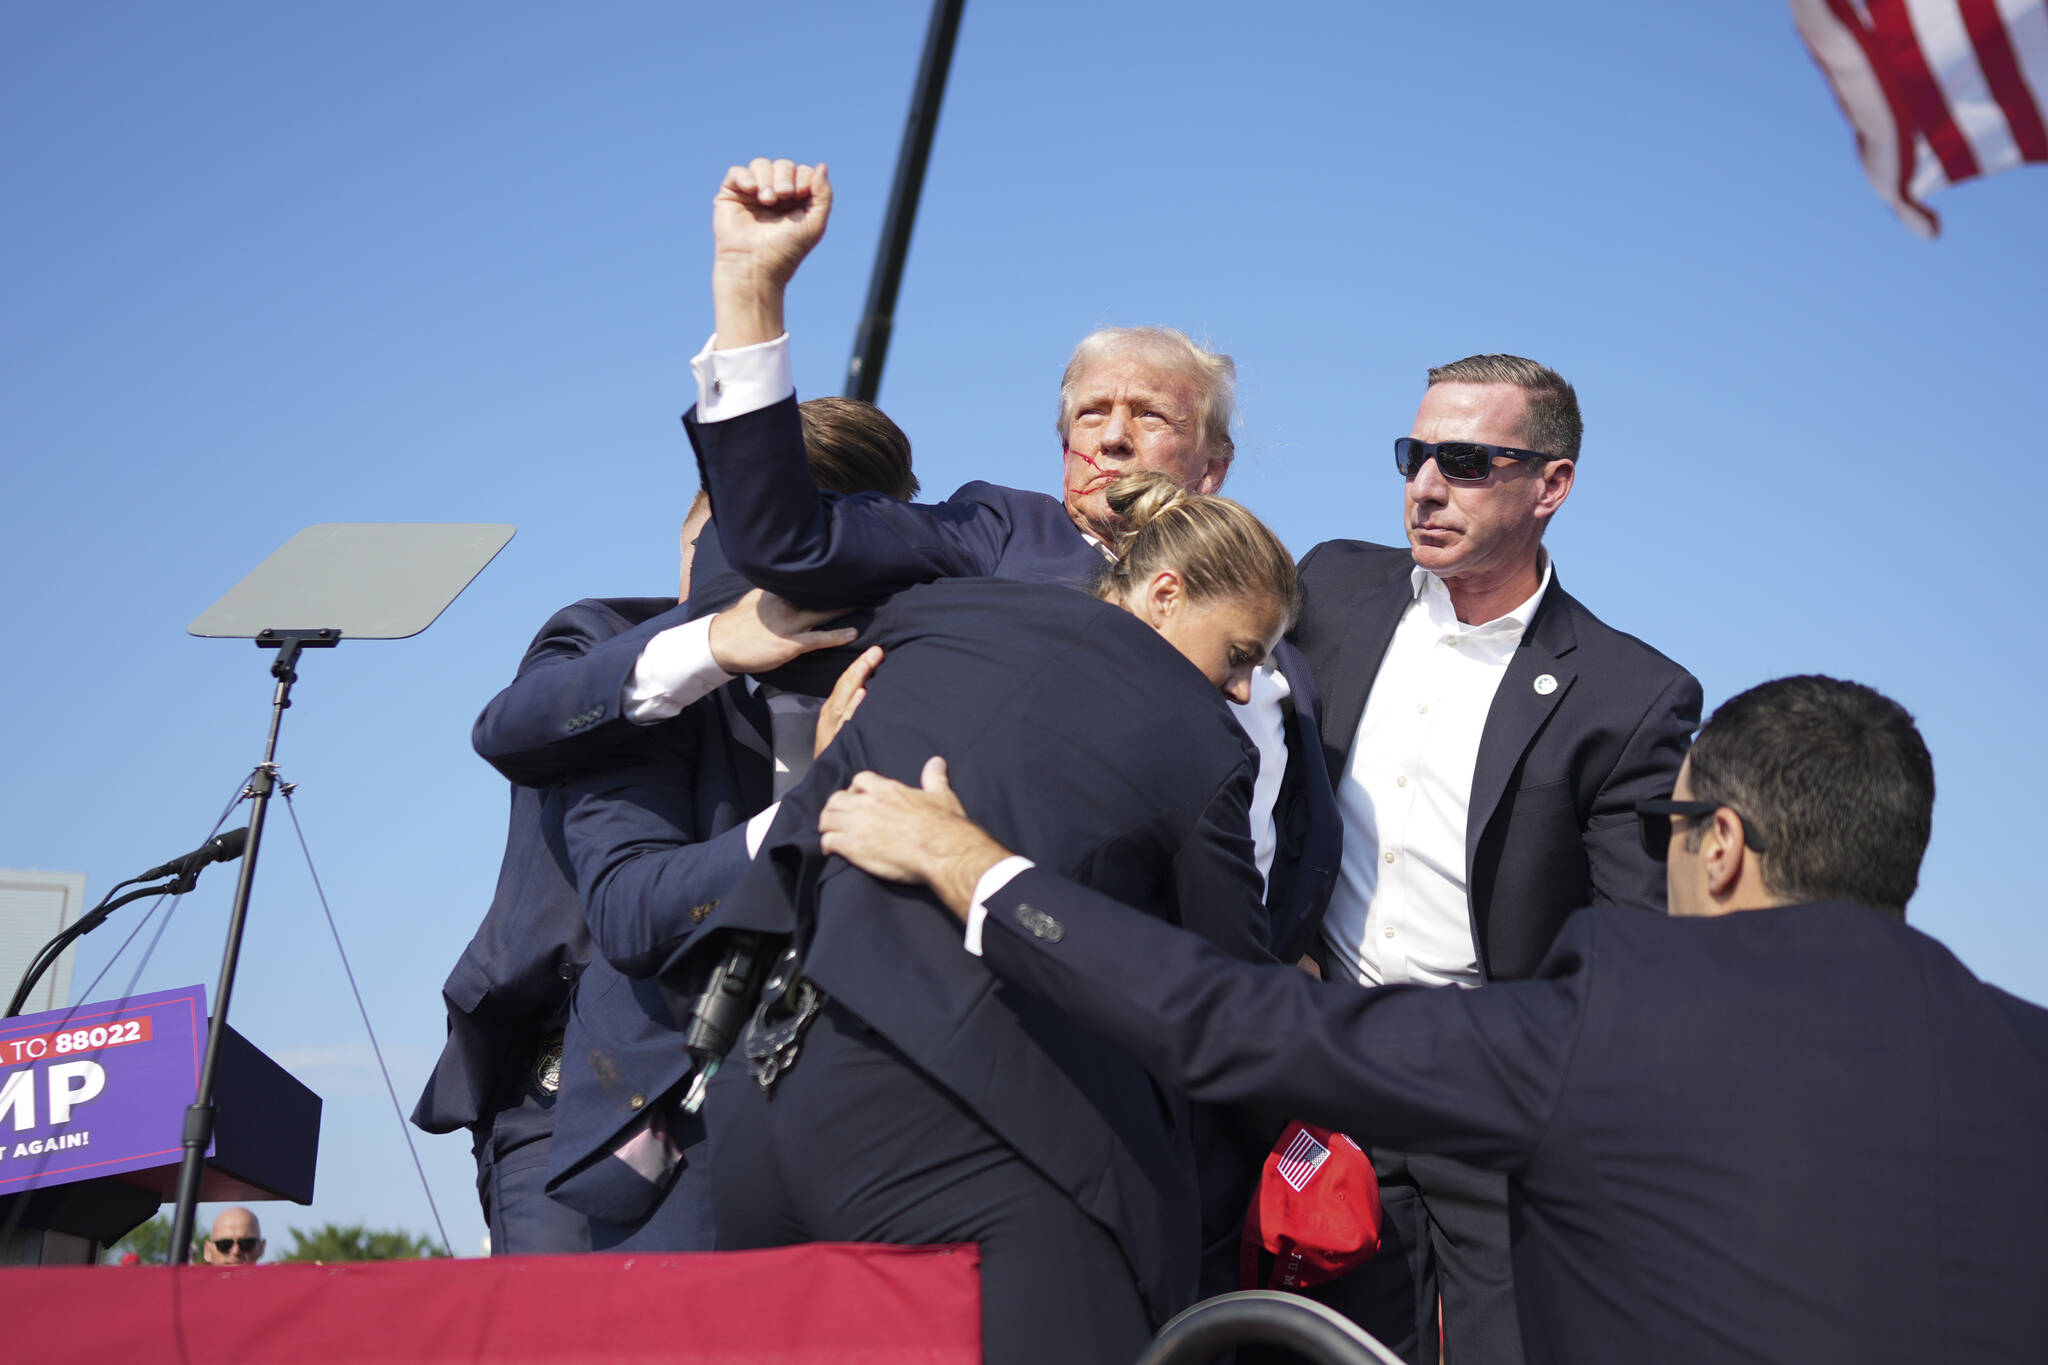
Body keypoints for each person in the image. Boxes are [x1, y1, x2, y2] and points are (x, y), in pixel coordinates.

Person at [818, 674, 2048, 1365]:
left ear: (1719, 845)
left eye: (1662, 831)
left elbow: (1232, 1023)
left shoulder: (1620, 1018)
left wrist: (973, 870)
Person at [678, 474, 1298, 1365]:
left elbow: (749, 573)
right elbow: (1232, 1007)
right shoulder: (1201, 738)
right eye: (1241, 652)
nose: (1242, 689)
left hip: (762, 1101)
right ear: (1165, 594)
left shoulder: (940, 616)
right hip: (980, 1129)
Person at [412, 398, 914, 1254]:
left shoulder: (894, 676)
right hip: (585, 1104)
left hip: (807, 1103)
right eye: (722, 547)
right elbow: (510, 727)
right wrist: (717, 643)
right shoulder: (613, 643)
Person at [1282, 354, 1702, 1361]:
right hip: (1314, 1066)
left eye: (1464, 462)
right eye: (1413, 455)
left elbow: (1628, 938)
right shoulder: (1328, 587)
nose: (1424, 486)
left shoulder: (1629, 694)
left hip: (1490, 1098)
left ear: (1549, 485)